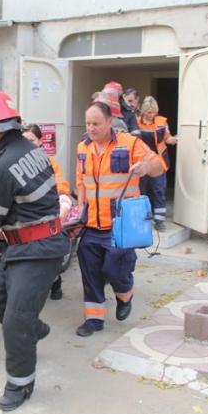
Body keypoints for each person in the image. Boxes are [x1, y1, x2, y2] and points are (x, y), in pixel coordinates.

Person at [0, 89, 70, 412]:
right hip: (26, 246)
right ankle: (34, 329)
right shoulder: (31, 148)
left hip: (37, 249)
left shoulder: (2, 164)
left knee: (15, 322)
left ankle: (20, 384)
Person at [75, 101, 164, 337]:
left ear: (109, 122)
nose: (91, 128)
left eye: (96, 123)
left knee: (115, 269)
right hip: (91, 224)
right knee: (90, 272)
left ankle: (125, 294)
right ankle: (94, 320)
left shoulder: (129, 143)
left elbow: (159, 165)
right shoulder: (83, 147)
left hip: (120, 225)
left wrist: (145, 167)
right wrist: (79, 207)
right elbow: (81, 180)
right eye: (88, 123)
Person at [21, 123, 72, 300]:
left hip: (47, 218)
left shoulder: (50, 163)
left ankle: (55, 282)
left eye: (31, 140)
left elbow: (61, 188)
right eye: (23, 140)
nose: (27, 144)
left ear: (40, 141)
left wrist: (62, 207)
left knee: (47, 257)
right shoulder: (16, 164)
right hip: (25, 219)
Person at [136, 96, 177, 231]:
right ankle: (142, 218)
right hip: (142, 162)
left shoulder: (162, 121)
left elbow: (167, 137)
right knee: (141, 191)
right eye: (149, 112)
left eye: (154, 112)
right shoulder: (136, 122)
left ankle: (159, 221)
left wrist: (172, 140)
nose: (152, 115)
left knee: (159, 191)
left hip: (158, 163)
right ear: (143, 111)